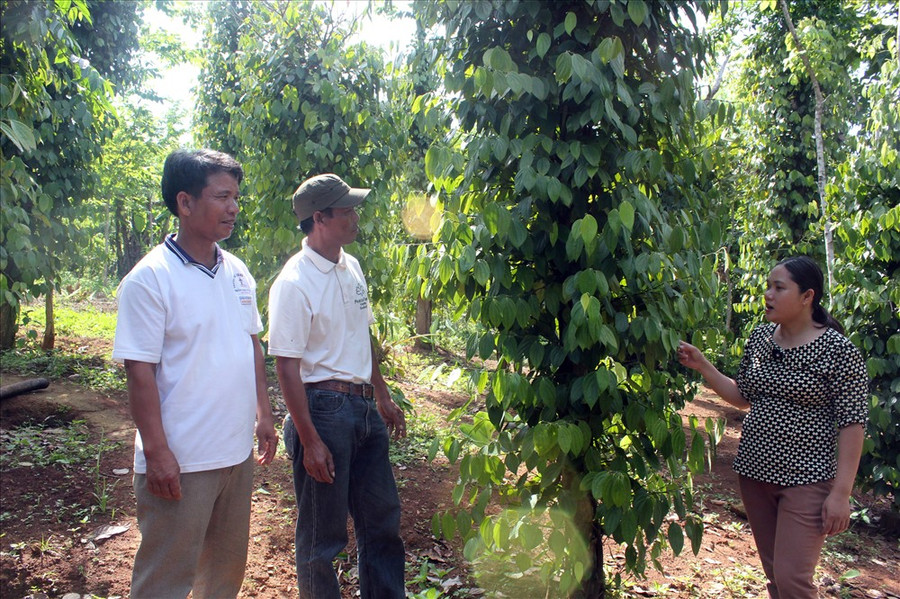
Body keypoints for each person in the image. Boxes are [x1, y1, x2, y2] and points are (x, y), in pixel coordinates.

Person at [112, 149, 278, 598]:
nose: (234, 208)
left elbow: (251, 345)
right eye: (222, 196)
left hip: (233, 457)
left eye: (236, 197)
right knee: (165, 578)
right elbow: (139, 372)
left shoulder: (238, 273)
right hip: (181, 464)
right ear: (185, 203)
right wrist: (159, 452)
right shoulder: (150, 279)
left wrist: (263, 414)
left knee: (223, 576)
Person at [677, 255, 869, 599]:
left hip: (806, 479)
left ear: (807, 296)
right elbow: (743, 395)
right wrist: (703, 364)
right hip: (754, 474)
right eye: (768, 286)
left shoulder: (839, 351)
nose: (768, 294)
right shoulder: (762, 338)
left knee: (793, 579)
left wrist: (841, 493)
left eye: (779, 287)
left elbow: (853, 423)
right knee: (776, 579)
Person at [268, 173, 407, 599]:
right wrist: (309, 440)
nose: (354, 216)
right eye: (346, 210)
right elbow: (286, 367)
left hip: (363, 408)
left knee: (381, 522)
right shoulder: (293, 283)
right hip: (323, 410)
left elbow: (361, 336)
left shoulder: (352, 267)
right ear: (320, 218)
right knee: (322, 537)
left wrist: (381, 394)